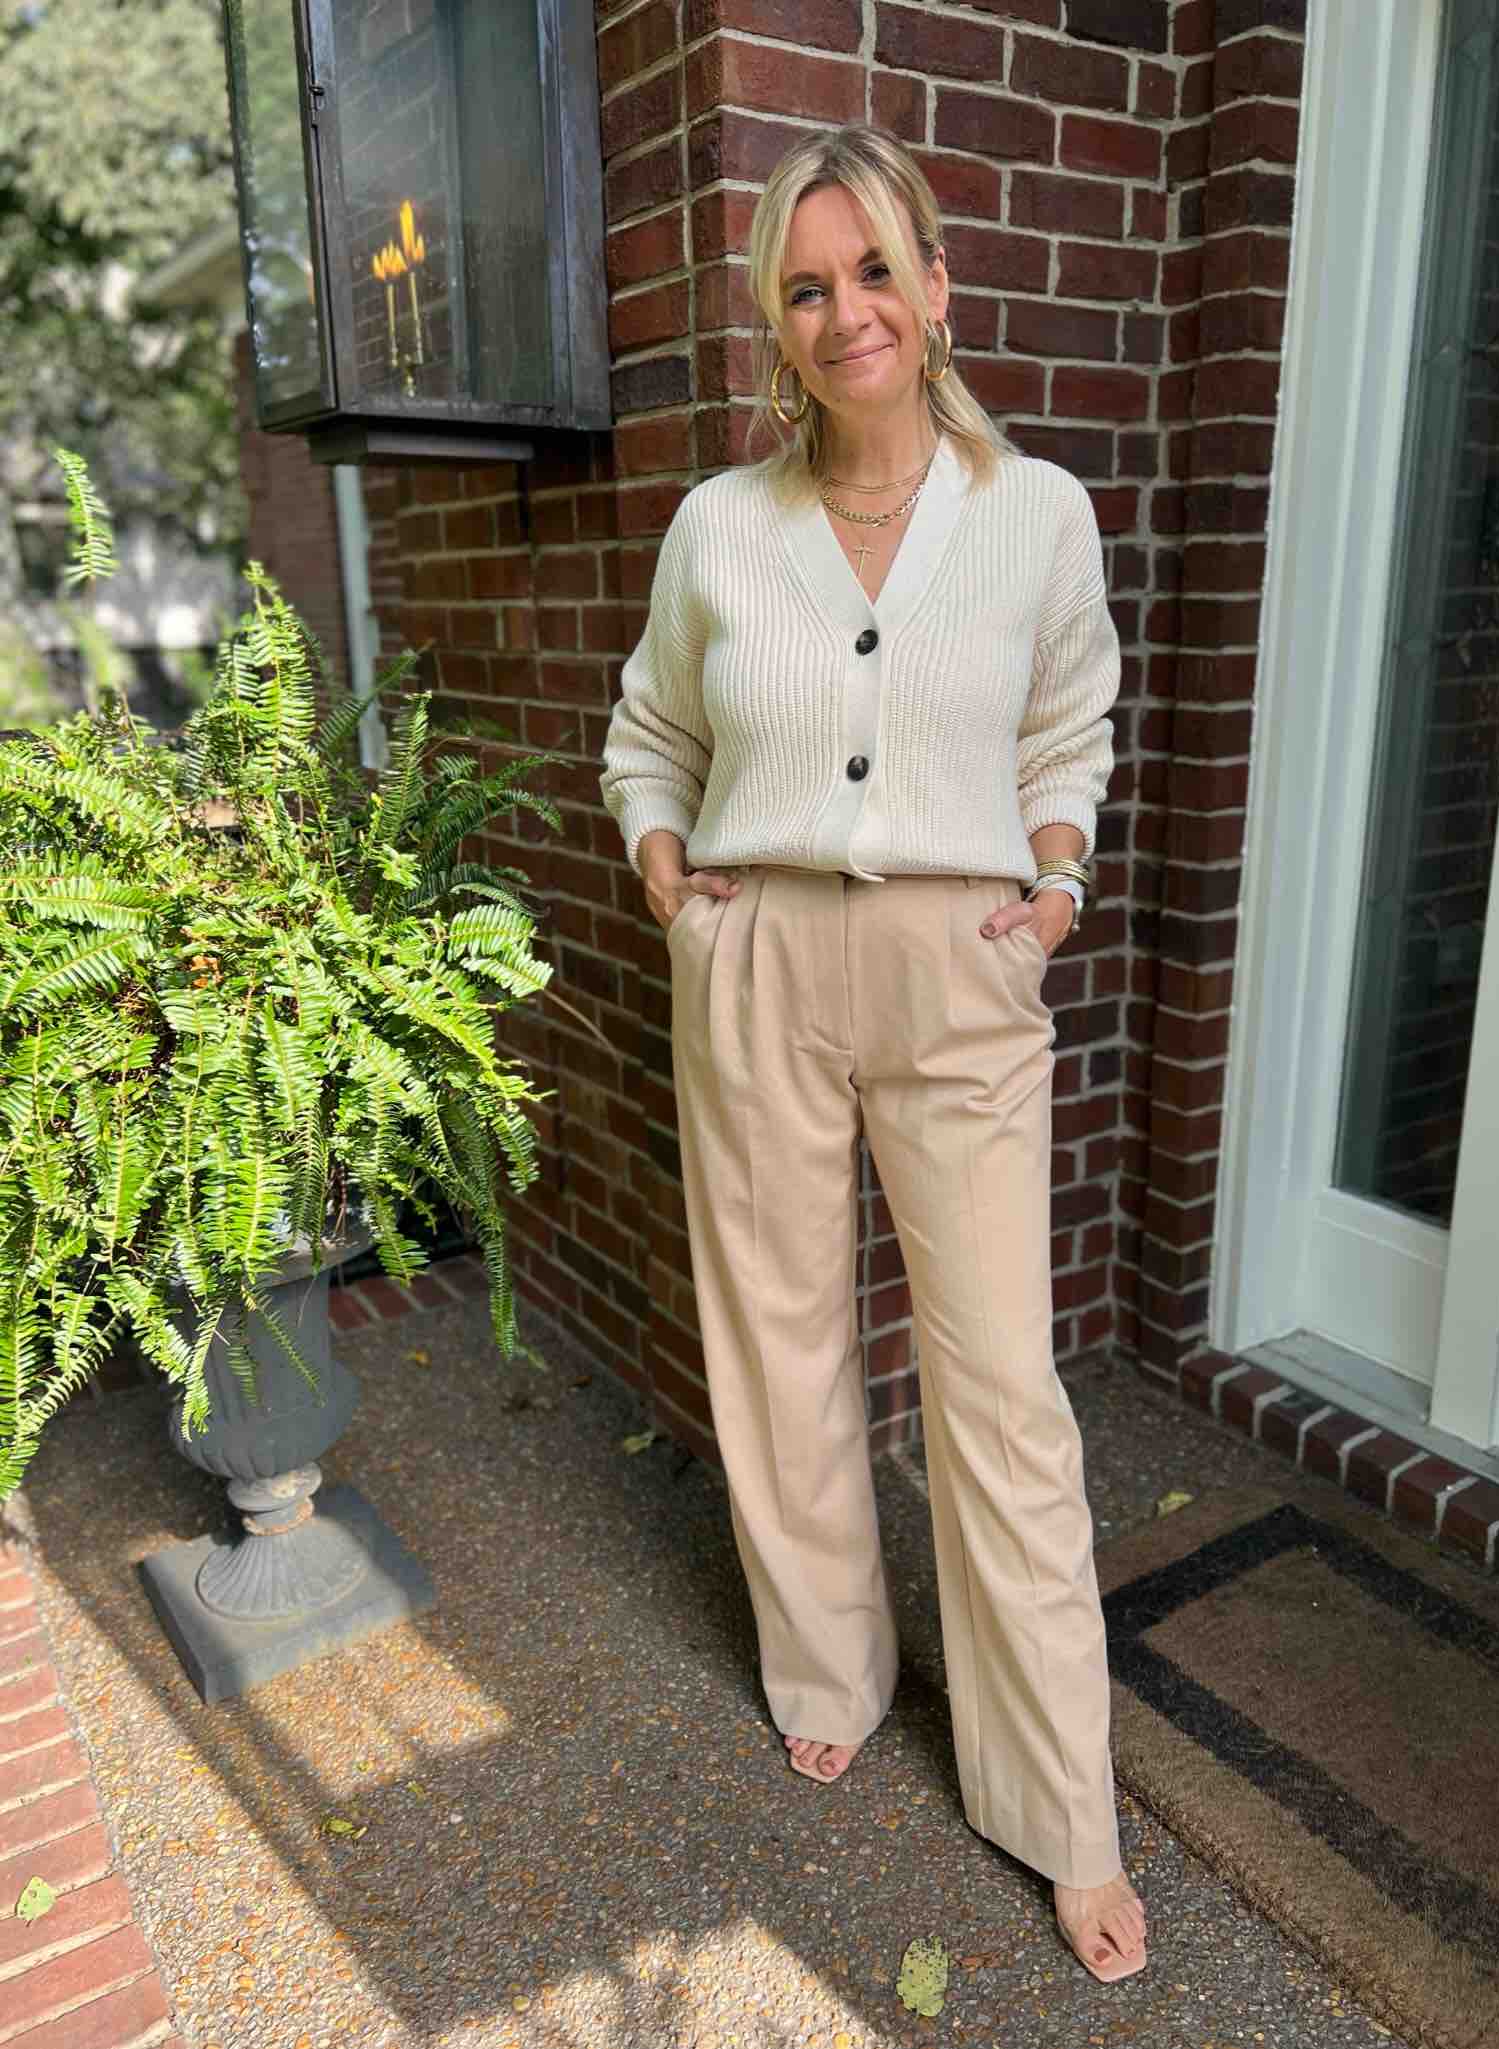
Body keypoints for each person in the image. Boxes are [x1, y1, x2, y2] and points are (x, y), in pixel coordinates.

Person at [598, 121, 1147, 1985]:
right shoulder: (720, 526)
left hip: (960, 959)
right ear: (778, 319)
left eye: (876, 272)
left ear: (936, 286)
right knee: (780, 1338)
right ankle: (829, 1663)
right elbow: (650, 732)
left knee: (1001, 1385)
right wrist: (672, 883)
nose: (849, 313)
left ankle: (1060, 1798)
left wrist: (1054, 889)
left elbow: (1068, 724)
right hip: (756, 945)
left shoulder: (1036, 513)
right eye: (809, 286)